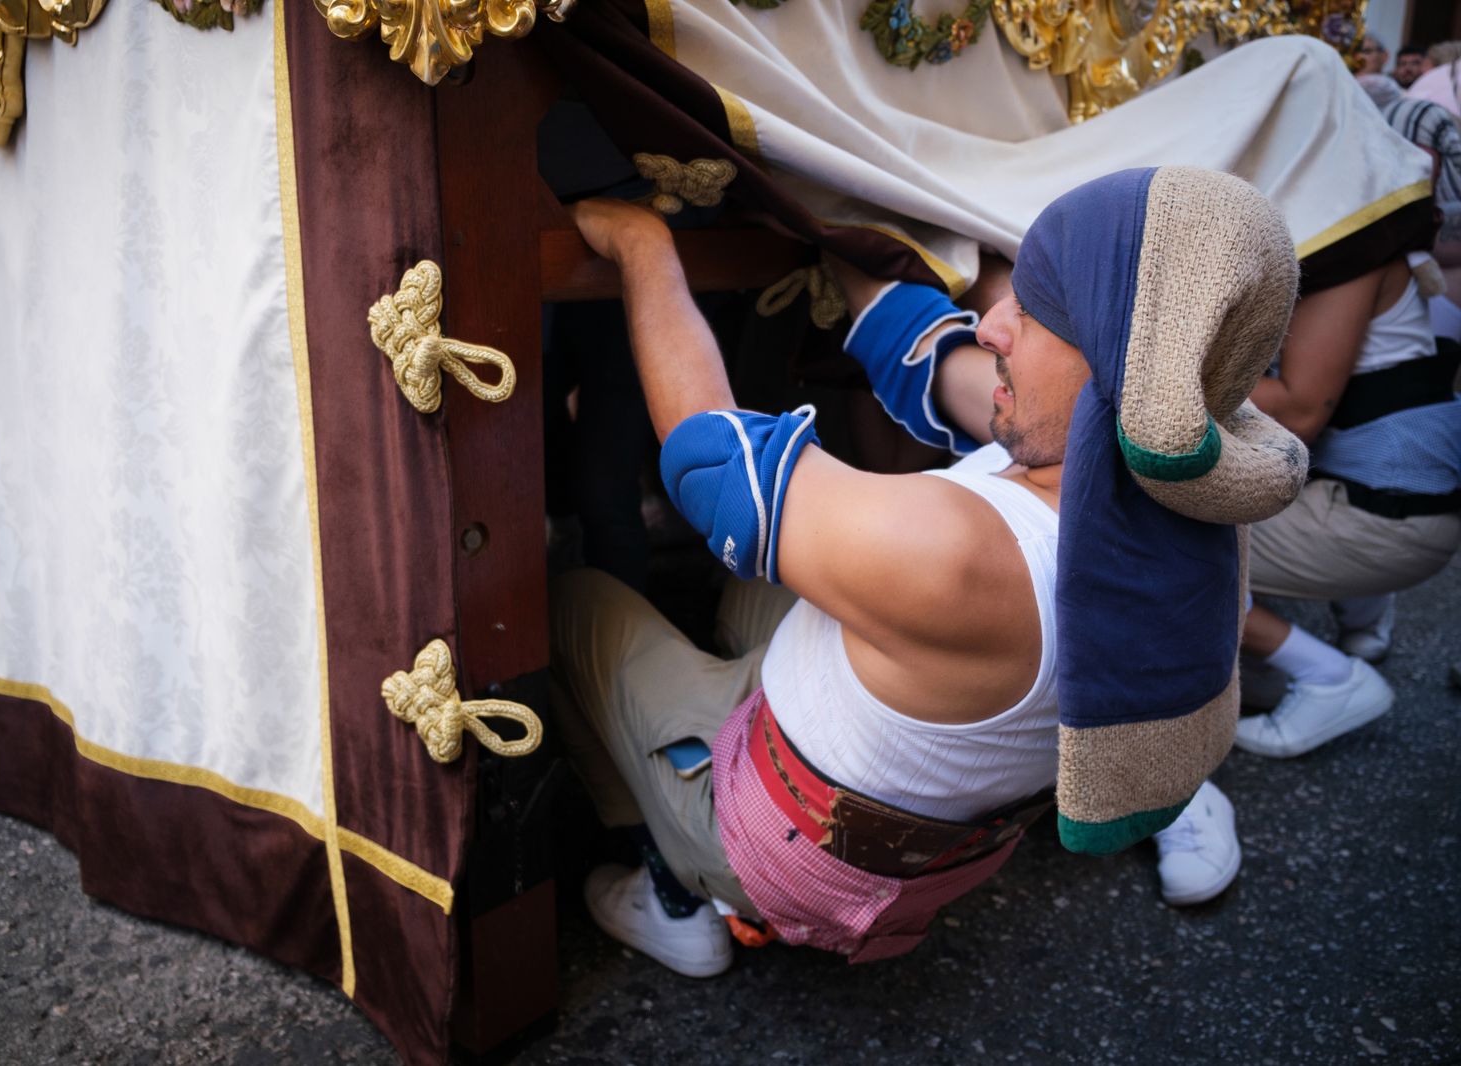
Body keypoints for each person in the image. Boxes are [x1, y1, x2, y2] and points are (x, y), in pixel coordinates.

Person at [549, 168, 1302, 976]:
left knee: (570, 599)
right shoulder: (1180, 474)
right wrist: (834, 225)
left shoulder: (960, 553)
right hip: (930, 838)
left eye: (1035, 310)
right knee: (752, 587)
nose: (992, 327)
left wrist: (643, 245)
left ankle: (674, 890)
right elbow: (926, 352)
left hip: (783, 849)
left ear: (1120, 359)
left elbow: (710, 458)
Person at [1231, 254, 1461, 758]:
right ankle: (1357, 627)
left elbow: (1299, 409)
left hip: (1382, 519)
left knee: (1153, 541)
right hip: (1402, 502)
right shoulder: (1414, 261)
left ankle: (1328, 677)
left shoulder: (1352, 257)